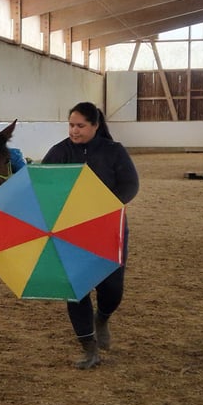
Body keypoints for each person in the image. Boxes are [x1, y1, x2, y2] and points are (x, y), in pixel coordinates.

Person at [41, 102, 139, 369]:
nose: (74, 131)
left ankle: (103, 318)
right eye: (71, 125)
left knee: (112, 288)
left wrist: (104, 208)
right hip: (69, 233)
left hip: (109, 229)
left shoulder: (114, 152)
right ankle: (89, 348)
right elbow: (42, 187)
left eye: (81, 126)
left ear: (95, 125)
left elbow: (130, 185)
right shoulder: (59, 152)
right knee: (75, 290)